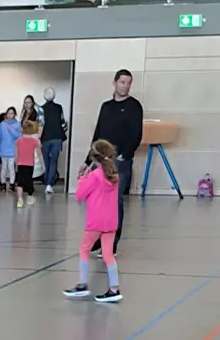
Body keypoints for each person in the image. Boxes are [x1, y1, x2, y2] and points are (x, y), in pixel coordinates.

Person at [89, 69, 144, 255]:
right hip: (101, 162)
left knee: (115, 202)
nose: (125, 86)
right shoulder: (106, 107)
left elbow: (136, 134)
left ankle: (112, 242)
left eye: (128, 83)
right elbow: (98, 134)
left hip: (120, 162)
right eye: (122, 82)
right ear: (114, 83)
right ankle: (99, 239)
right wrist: (89, 159)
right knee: (100, 202)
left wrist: (124, 154)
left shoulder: (134, 106)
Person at [65, 140, 123, 303]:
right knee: (108, 255)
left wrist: (82, 179)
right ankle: (114, 288)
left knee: (84, 250)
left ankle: (82, 285)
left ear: (94, 157)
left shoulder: (95, 176)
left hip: (95, 221)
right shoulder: (114, 174)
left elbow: (79, 195)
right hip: (111, 221)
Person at [40, 87, 67, 194]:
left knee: (45, 161)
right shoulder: (59, 107)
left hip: (45, 138)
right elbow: (62, 122)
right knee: (54, 161)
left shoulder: (41, 109)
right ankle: (49, 185)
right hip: (57, 137)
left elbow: (40, 125)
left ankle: (47, 182)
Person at [0, 108, 21, 192]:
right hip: (3, 150)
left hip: (12, 151)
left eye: (12, 113)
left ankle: (12, 185)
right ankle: (3, 184)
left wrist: (11, 130)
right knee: (3, 169)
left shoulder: (17, 124)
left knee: (12, 168)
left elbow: (19, 136)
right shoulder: (2, 124)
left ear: (14, 114)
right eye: (8, 113)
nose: (10, 115)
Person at [15, 126, 41, 208]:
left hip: (20, 164)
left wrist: (16, 164)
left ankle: (20, 200)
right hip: (29, 164)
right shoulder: (35, 141)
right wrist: (43, 166)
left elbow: (16, 154)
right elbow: (39, 154)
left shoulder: (18, 141)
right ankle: (30, 197)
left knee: (20, 183)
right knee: (29, 180)